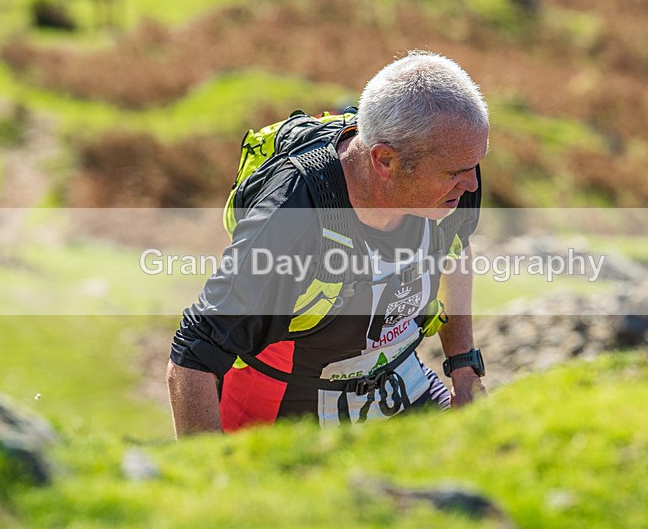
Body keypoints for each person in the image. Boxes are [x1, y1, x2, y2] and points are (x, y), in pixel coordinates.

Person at [167, 51, 489, 436]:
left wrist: (464, 369)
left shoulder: (454, 174)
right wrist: (206, 482)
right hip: (280, 416)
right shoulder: (291, 219)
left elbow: (455, 251)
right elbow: (193, 356)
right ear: (384, 161)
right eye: (456, 173)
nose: (471, 185)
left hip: (400, 386)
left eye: (475, 166)